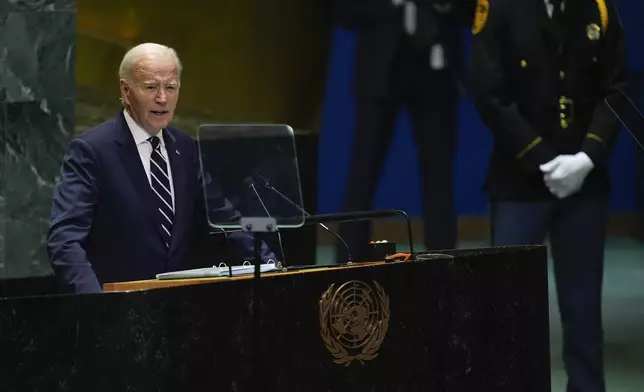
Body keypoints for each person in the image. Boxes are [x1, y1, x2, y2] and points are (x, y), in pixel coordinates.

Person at [470, 0, 627, 391]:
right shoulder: (499, 7)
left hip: (584, 179)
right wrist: (542, 160)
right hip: (519, 180)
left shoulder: (599, 9)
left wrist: (588, 157)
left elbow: (617, 88)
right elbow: (490, 93)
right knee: (508, 308)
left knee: (584, 313)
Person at [46, 43, 276, 294]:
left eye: (171, 87)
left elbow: (225, 222)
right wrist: (97, 305)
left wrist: (271, 267)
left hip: (179, 310)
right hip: (117, 312)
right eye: (151, 87)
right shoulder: (92, 151)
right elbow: (65, 239)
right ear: (125, 90)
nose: (163, 98)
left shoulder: (185, 148)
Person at [332, 0, 474, 261]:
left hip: (437, 71)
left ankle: (443, 266)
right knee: (363, 173)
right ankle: (347, 264)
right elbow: (344, 12)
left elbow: (472, 11)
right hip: (380, 71)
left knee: (440, 176)